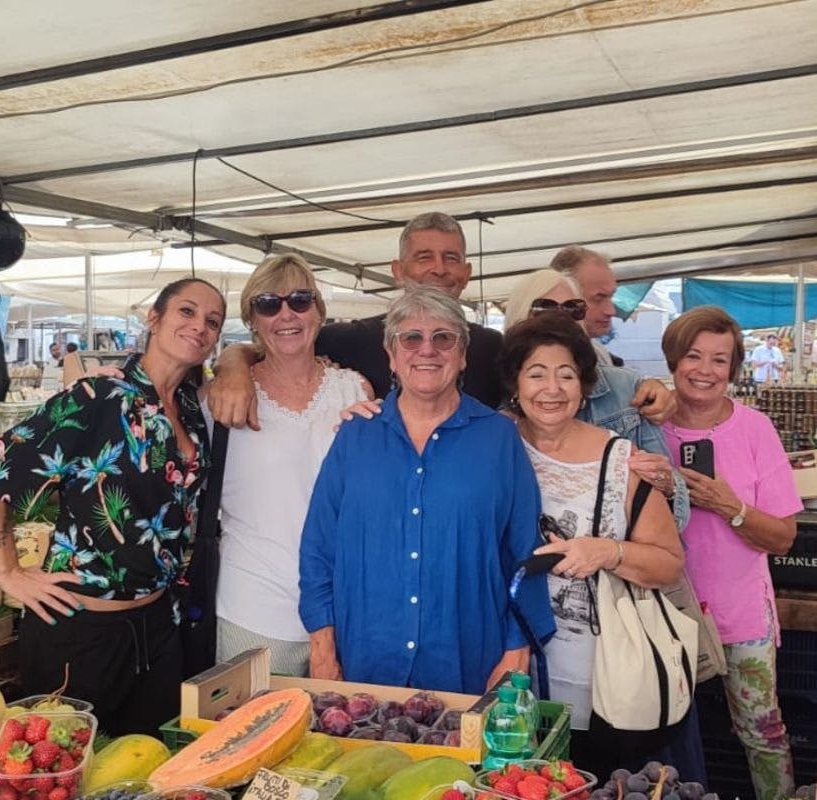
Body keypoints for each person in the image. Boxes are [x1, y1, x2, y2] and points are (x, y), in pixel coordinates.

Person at [0, 278, 226, 736]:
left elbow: (255, 357)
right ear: (154, 319)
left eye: (213, 321)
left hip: (159, 631)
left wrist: (238, 362)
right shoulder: (99, 397)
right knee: (72, 765)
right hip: (81, 633)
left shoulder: (189, 405)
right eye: (186, 312)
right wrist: (7, 571)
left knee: (149, 761)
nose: (199, 326)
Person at [298, 286, 555, 693]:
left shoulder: (498, 438)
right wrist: (322, 645)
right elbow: (318, 548)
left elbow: (526, 551)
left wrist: (516, 648)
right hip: (363, 659)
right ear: (391, 355)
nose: (427, 350)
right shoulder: (356, 435)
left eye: (443, 338)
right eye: (411, 338)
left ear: (463, 354)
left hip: (470, 661)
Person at [209, 213, 672, 429]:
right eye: (424, 257)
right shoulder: (348, 339)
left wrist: (645, 388)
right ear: (398, 271)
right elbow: (281, 345)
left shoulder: (493, 346)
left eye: (451, 258)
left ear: (466, 273)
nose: (438, 269)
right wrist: (232, 365)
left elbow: (559, 383)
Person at [499, 313, 685, 777]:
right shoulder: (491, 446)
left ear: (583, 386)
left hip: (599, 683)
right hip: (505, 678)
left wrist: (607, 552)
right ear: (515, 384)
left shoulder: (620, 460)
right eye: (536, 374)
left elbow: (668, 563)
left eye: (566, 375)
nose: (552, 389)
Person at [203, 254, 370, 676]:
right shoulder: (219, 399)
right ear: (252, 320)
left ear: (319, 311)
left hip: (345, 611)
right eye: (267, 304)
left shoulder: (355, 390)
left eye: (300, 300)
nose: (286, 314)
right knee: (253, 718)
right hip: (253, 609)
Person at [661, 307, 798, 800]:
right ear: (673, 360)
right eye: (693, 356)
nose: (705, 370)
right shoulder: (648, 428)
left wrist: (730, 506)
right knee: (665, 729)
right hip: (665, 612)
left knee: (762, 732)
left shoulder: (755, 429)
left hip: (742, 614)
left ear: (734, 368)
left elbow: (782, 537)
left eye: (719, 360)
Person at [504, 269, 689, 531]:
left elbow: (675, 512)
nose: (560, 319)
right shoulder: (502, 418)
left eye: (573, 309)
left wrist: (667, 487)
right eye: (545, 309)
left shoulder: (626, 389)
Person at [550, 245, 624, 367]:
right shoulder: (528, 357)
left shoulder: (598, 353)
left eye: (611, 297)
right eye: (598, 298)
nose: (611, 311)